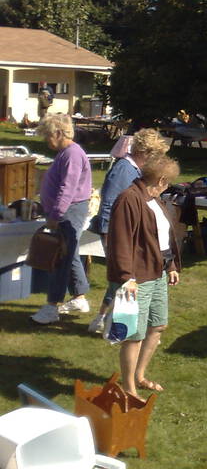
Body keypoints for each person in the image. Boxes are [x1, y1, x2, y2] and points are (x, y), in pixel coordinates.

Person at [105, 156, 182, 395]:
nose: (168, 187)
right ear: (160, 180)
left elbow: (161, 238)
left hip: (157, 273)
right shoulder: (128, 199)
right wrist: (126, 277)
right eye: (168, 182)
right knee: (133, 334)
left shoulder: (155, 200)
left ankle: (139, 376)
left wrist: (171, 266)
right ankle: (128, 388)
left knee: (158, 325)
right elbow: (120, 242)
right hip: (136, 279)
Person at [88, 129, 171, 333]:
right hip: (117, 234)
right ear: (144, 152)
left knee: (121, 280)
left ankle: (104, 319)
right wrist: (109, 237)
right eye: (154, 155)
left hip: (128, 234)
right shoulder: (124, 170)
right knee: (121, 279)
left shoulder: (133, 169)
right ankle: (107, 321)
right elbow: (108, 203)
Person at [31, 113, 93, 325]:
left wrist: (56, 215)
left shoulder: (72, 154)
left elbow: (68, 188)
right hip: (67, 211)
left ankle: (52, 306)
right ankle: (79, 297)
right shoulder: (66, 153)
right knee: (70, 254)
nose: (46, 140)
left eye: (47, 135)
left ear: (58, 133)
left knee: (61, 258)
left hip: (69, 212)